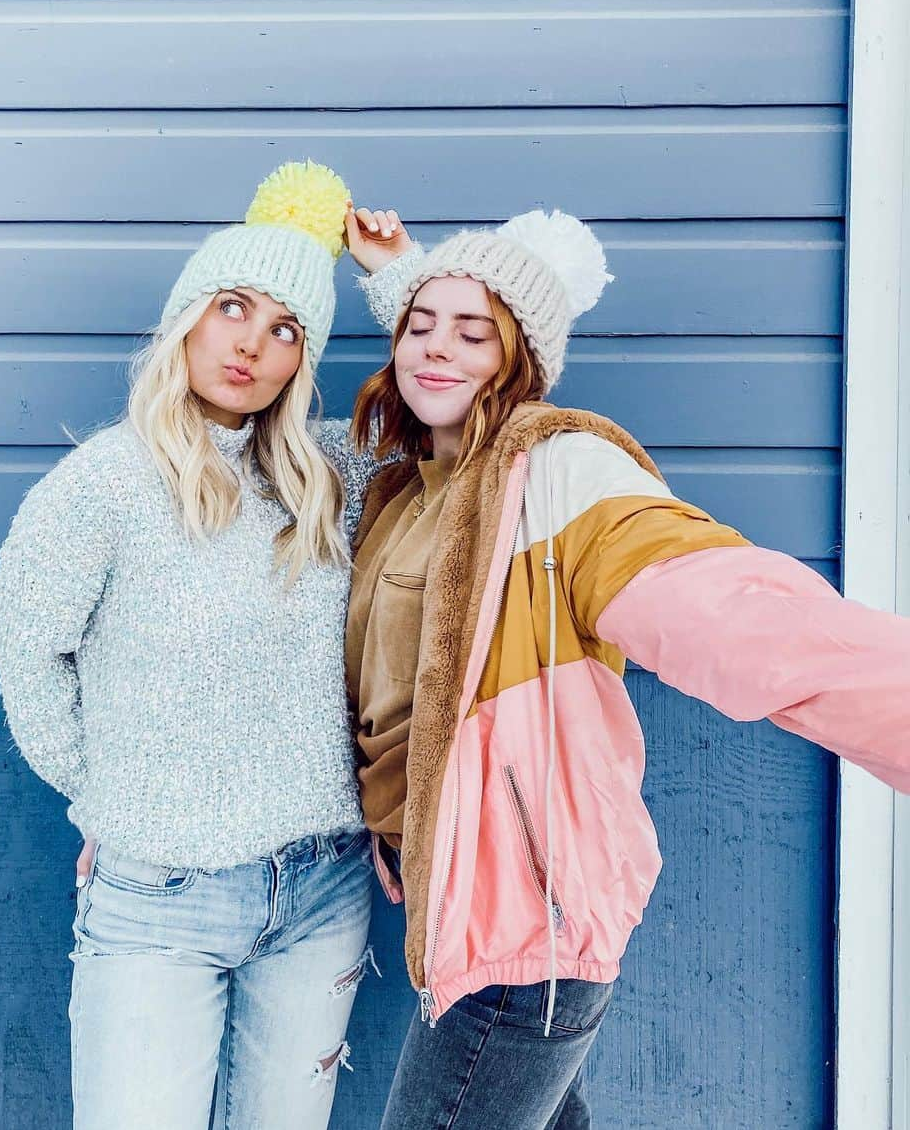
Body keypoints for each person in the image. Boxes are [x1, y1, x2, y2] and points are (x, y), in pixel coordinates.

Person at [345, 208, 910, 1129]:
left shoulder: (561, 470)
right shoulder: (405, 490)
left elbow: (729, 612)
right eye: (418, 326)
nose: (436, 350)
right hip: (454, 893)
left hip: (527, 914)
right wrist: (404, 272)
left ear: (520, 357)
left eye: (473, 332)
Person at [0, 160, 412, 1129]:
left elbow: (456, 434)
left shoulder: (329, 478)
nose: (252, 345)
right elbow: (26, 647)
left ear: (301, 361)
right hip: (157, 900)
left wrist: (395, 281)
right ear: (188, 315)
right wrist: (107, 789)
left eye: (286, 329)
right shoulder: (102, 484)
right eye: (233, 307)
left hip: (320, 888)